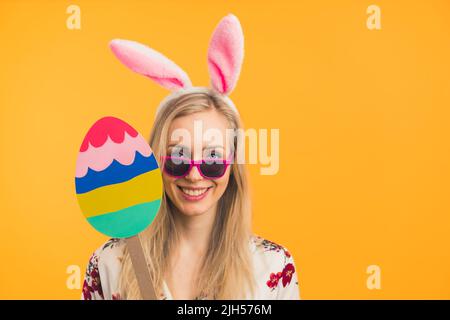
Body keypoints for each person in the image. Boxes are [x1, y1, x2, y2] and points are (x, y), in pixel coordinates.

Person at [82, 14, 300, 300]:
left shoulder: (273, 268)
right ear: (156, 161)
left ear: (233, 166)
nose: (194, 175)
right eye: (178, 158)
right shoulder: (109, 264)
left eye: (212, 160)